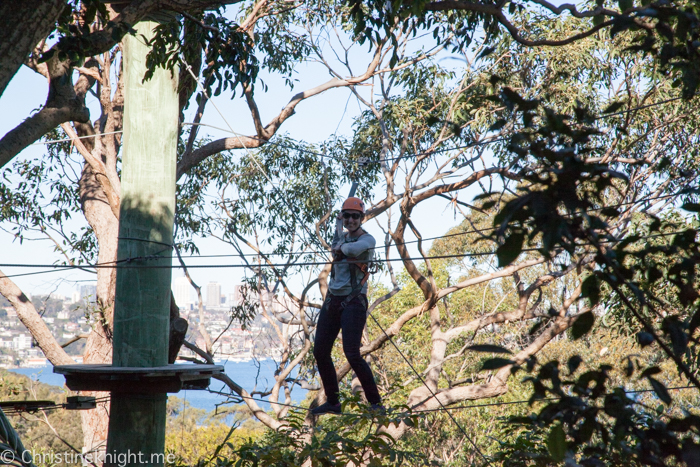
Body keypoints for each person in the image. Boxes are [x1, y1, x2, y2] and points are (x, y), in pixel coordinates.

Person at [311, 197, 384, 415]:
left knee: (352, 353)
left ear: (362, 218)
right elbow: (338, 244)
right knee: (320, 351)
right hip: (333, 300)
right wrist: (337, 224)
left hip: (354, 301)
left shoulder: (368, 240)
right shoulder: (340, 237)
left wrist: (339, 241)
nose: (351, 220)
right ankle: (333, 401)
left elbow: (350, 251)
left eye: (355, 216)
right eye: (347, 216)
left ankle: (376, 404)